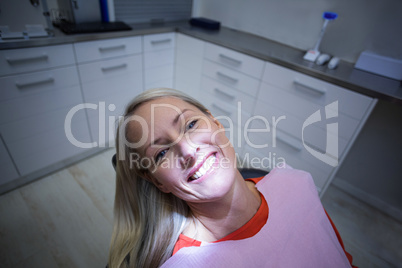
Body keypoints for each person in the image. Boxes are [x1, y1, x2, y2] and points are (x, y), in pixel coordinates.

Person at [107, 88, 355, 268]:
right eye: (161, 152)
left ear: (215, 122)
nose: (188, 150)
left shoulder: (298, 184)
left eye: (191, 125)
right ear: (157, 181)